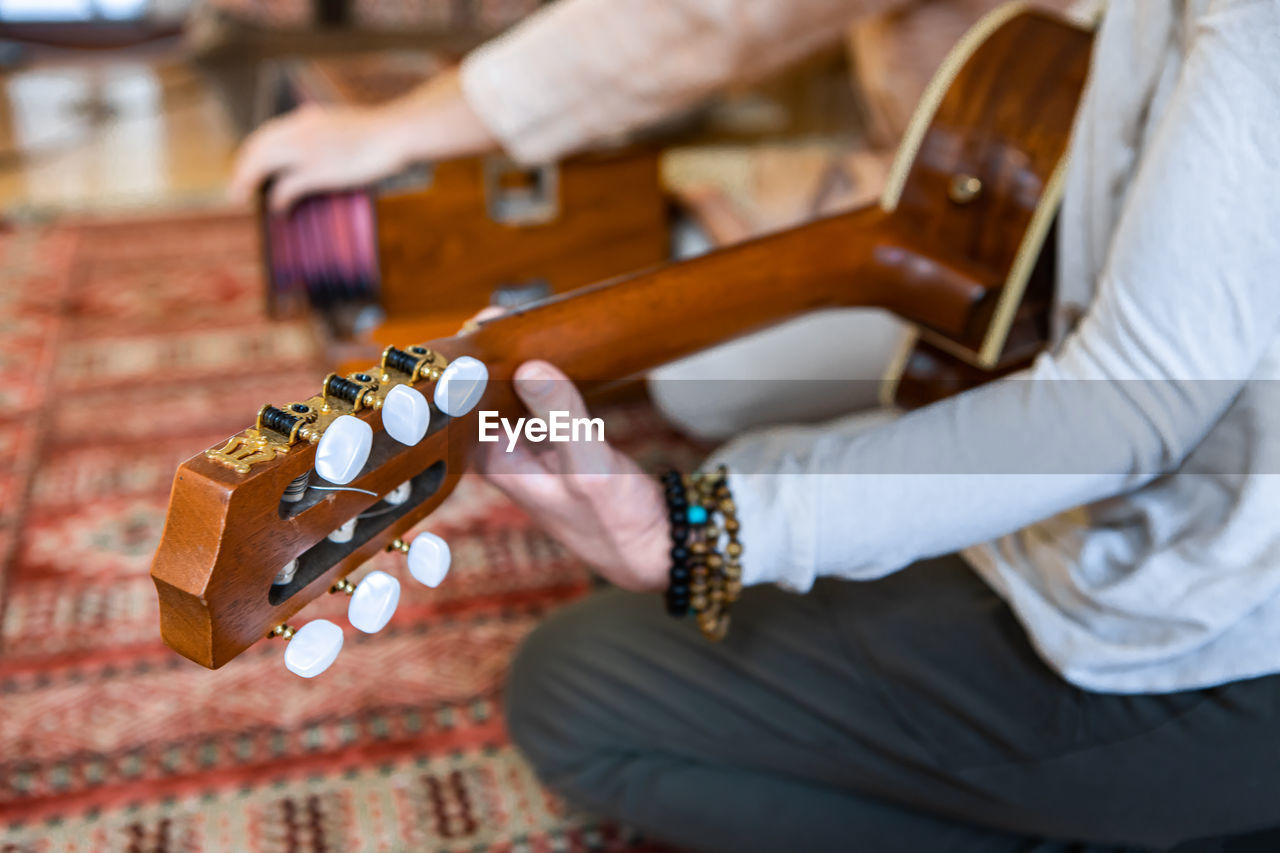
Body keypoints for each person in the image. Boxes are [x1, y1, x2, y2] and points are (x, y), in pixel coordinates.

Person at [232, 1, 1280, 850]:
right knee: (716, 479)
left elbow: (1131, 401)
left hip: (1235, 662)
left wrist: (704, 530)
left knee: (575, 688)